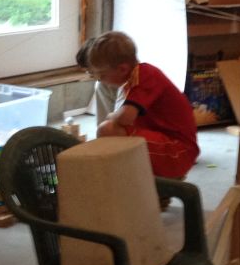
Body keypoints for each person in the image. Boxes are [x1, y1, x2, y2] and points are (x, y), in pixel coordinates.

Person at [82, 31, 199, 180]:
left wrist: (112, 116)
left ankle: (124, 180)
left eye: (102, 75)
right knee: (113, 131)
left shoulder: (145, 75)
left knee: (108, 130)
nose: (100, 79)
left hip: (178, 151)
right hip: (167, 144)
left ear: (122, 69)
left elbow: (125, 118)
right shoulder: (134, 79)